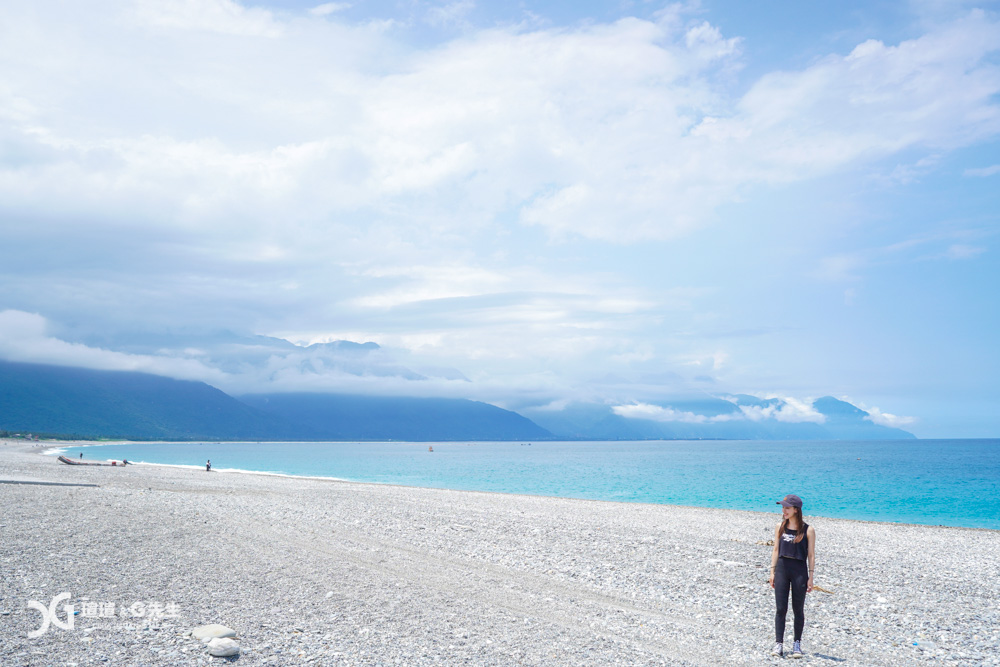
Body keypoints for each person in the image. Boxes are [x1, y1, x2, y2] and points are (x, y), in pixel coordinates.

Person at [769, 494, 815, 658]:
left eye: (787, 507)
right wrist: (772, 571)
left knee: (798, 610)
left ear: (796, 510)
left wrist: (811, 577)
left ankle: (797, 644)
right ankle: (778, 644)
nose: (784, 510)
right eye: (783, 507)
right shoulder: (779, 526)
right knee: (781, 609)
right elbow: (775, 550)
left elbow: (811, 555)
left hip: (799, 571)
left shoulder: (808, 530)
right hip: (782, 569)